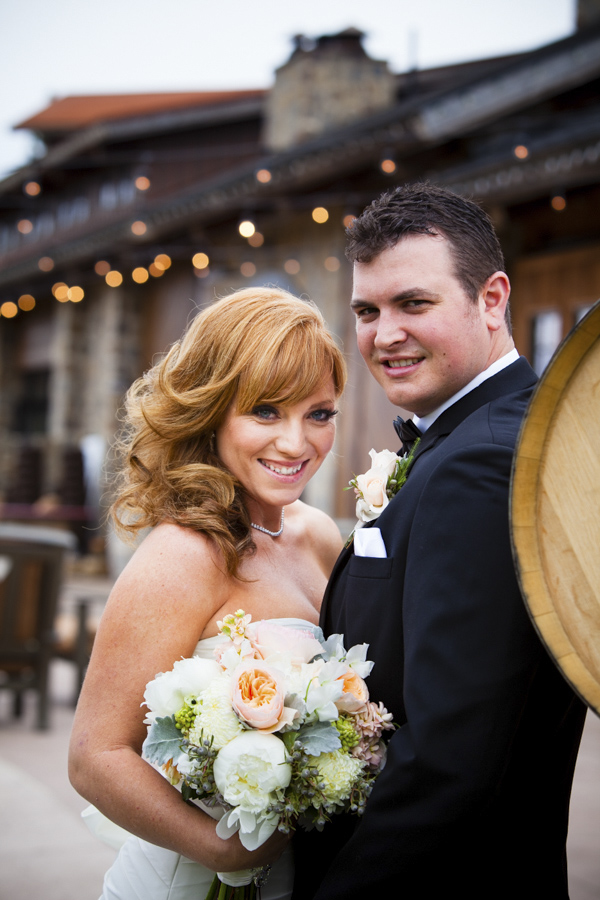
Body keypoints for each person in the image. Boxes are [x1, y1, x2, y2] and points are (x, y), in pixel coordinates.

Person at [292, 183, 587, 900]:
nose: (383, 333)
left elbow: (449, 763)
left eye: (413, 304)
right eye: (367, 311)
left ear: (492, 300)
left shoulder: (483, 464)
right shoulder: (484, 438)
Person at [68, 287, 347, 900]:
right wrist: (221, 847)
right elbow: (95, 756)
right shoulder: (184, 556)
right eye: (267, 412)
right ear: (213, 410)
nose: (297, 443)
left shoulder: (319, 536)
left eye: (319, 414)